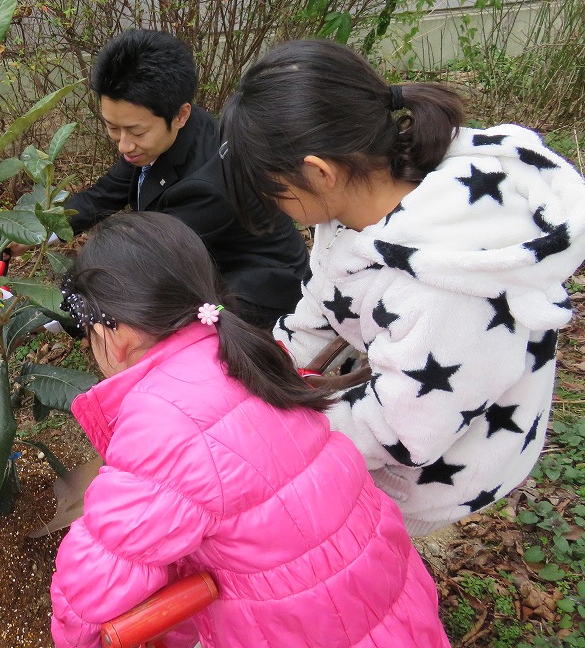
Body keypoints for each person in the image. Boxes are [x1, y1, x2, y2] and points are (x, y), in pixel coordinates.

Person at [219, 37, 585, 536]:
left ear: (317, 173)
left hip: (440, 463)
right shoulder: (358, 199)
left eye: (275, 193)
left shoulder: (441, 287)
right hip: (416, 399)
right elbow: (324, 302)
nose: (277, 207)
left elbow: (404, 430)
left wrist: (276, 431)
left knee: (362, 548)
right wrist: (263, 363)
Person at [50, 211, 450, 648]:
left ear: (117, 330)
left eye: (86, 330)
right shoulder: (246, 356)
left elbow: (94, 584)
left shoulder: (165, 420)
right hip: (393, 609)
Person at [17, 28, 310, 329]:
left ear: (181, 114)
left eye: (136, 131)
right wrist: (29, 232)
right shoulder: (155, 139)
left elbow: (147, 262)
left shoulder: (208, 185)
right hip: (205, 263)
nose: (123, 145)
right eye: (112, 128)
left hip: (254, 290)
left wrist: (58, 315)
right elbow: (102, 195)